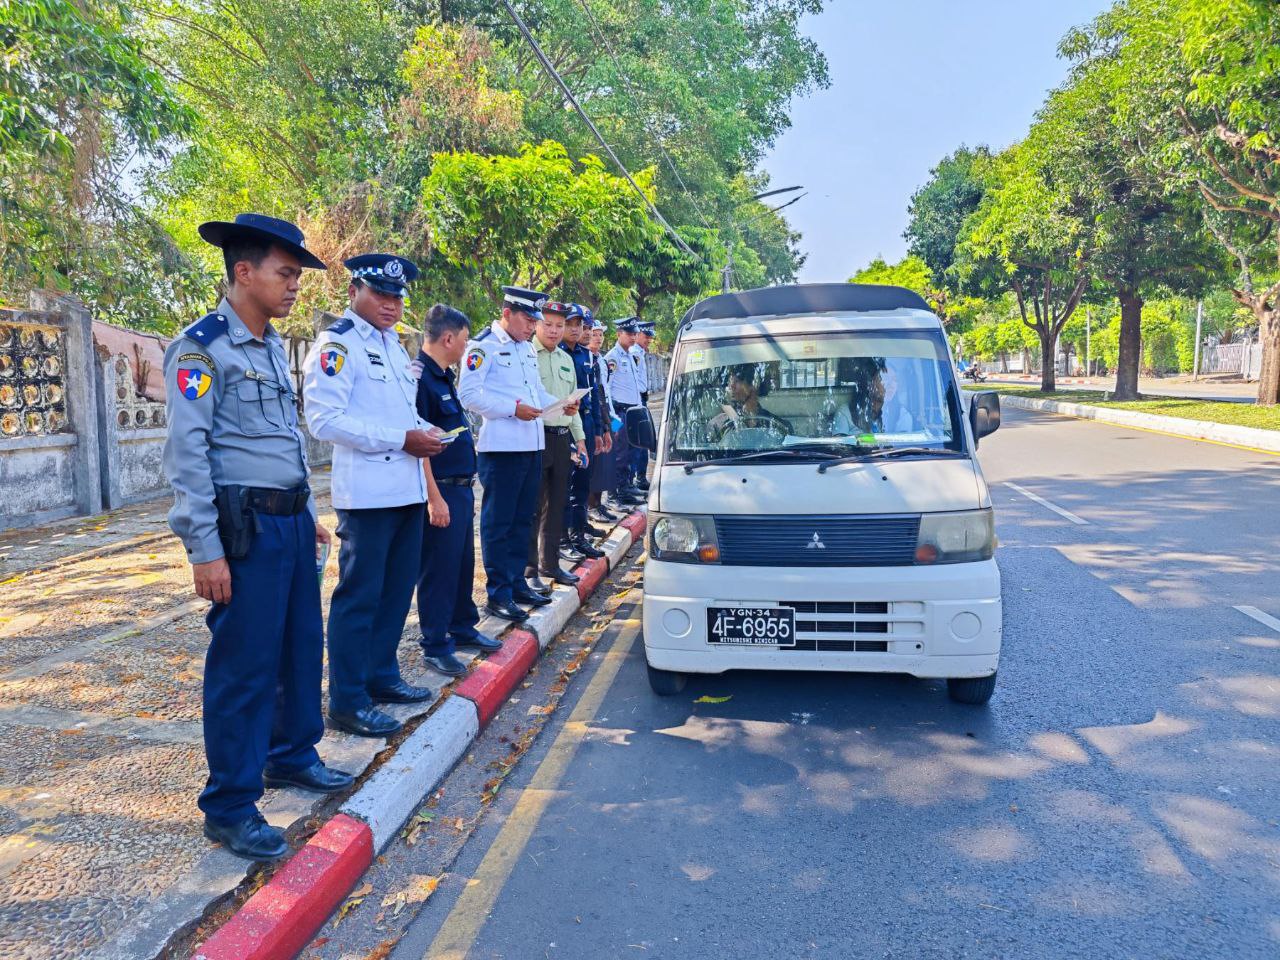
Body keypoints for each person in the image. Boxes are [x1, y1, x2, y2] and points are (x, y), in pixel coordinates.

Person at [163, 213, 353, 862]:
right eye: (286, 273)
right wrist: (204, 549)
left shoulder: (271, 344)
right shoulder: (201, 349)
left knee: (299, 647)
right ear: (243, 272)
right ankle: (230, 806)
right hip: (243, 530)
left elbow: (284, 440)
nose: (295, 285)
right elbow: (188, 457)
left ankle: (292, 754)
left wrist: (306, 509)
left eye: (297, 275)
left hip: (290, 522)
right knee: (243, 668)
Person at [304, 253, 443, 739]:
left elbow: (398, 414)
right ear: (354, 292)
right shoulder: (337, 345)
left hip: (405, 489)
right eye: (380, 294)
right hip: (367, 496)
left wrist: (428, 431)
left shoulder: (392, 346)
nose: (390, 305)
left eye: (397, 298)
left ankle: (381, 675)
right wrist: (403, 439)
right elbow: (324, 421)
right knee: (360, 597)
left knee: (396, 592)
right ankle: (347, 700)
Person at [457, 286, 559, 622]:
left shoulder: (525, 348)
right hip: (501, 449)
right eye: (528, 319)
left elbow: (536, 392)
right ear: (507, 313)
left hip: (531, 446)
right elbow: (468, 395)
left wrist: (560, 404)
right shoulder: (483, 346)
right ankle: (498, 593)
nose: (533, 326)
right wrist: (513, 409)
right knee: (498, 523)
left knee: (522, 519)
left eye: (534, 320)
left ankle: (516, 583)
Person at [412, 304, 502, 678]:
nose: (467, 348)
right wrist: (434, 497)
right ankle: (436, 643)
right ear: (448, 338)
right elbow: (417, 445)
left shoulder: (444, 377)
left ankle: (462, 626)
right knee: (439, 569)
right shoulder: (420, 379)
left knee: (462, 564)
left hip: (461, 488)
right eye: (464, 341)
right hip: (442, 490)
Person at [525, 301, 586, 591]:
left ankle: (550, 563)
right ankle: (530, 570)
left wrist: (580, 439)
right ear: (537, 324)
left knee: (557, 503)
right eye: (548, 324)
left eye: (559, 325)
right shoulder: (527, 355)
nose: (554, 330)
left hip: (562, 438)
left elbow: (573, 403)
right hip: (536, 437)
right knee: (533, 506)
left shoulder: (565, 359)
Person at [561, 305, 608, 559]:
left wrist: (598, 430)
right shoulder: (556, 353)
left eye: (580, 325)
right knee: (563, 487)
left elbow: (593, 397)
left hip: (585, 425)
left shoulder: (586, 355)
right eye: (570, 324)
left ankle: (579, 537)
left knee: (582, 483)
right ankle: (563, 540)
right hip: (563, 425)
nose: (577, 330)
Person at [604, 317, 645, 507]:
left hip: (632, 411)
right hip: (617, 413)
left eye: (635, 334)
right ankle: (613, 495)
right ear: (619, 334)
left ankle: (625, 487)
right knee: (617, 454)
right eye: (629, 334)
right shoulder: (612, 357)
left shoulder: (631, 356)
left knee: (630, 451)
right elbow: (607, 388)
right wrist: (612, 417)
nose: (633, 337)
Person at [586, 321, 620, 524]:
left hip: (609, 414)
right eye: (594, 334)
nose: (598, 338)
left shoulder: (601, 360)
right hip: (596, 416)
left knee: (609, 458)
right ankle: (592, 505)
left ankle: (599, 503)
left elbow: (606, 391)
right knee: (597, 463)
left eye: (600, 335)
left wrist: (613, 421)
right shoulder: (586, 359)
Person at [709, 363, 793, 441]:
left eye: (737, 381)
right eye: (729, 381)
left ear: (754, 385)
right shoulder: (717, 425)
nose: (731, 386)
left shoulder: (779, 426)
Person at [832, 363, 916, 435]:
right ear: (870, 384)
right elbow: (838, 447)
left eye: (895, 380)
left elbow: (902, 447)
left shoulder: (902, 415)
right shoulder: (845, 413)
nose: (891, 385)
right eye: (885, 378)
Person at [628, 320, 655, 491]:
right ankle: (633, 480)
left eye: (650, 337)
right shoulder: (633, 353)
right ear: (638, 335)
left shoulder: (640, 353)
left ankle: (640, 478)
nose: (649, 340)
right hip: (634, 402)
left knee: (644, 439)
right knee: (634, 441)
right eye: (646, 336)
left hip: (641, 400)